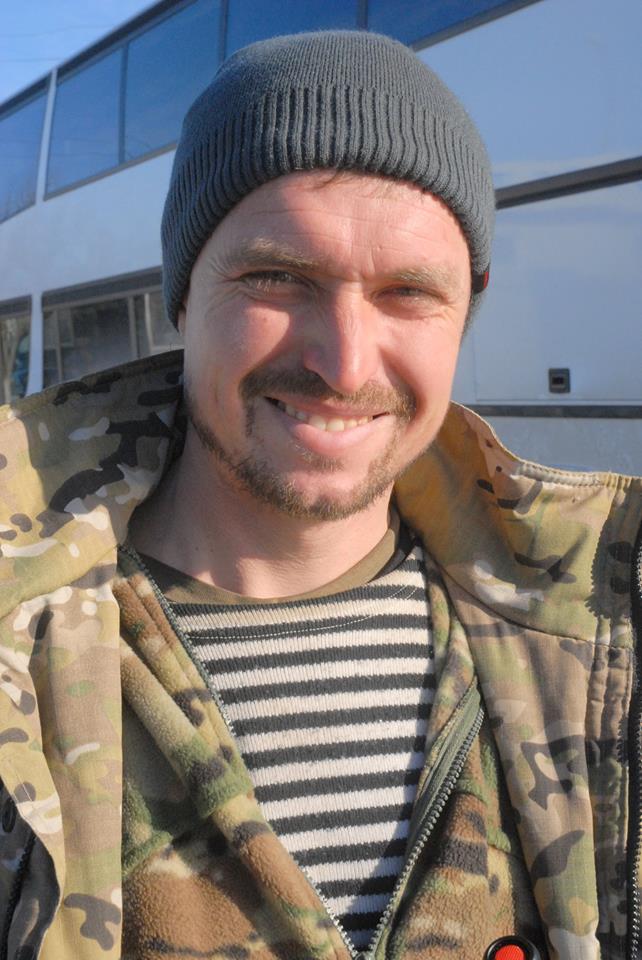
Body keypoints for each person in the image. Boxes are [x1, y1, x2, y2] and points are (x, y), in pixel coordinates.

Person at [0, 29, 640, 960]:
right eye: (276, 277)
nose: (343, 364)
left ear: (466, 309)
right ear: (183, 294)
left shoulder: (600, 634)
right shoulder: (19, 643)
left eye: (408, 292)